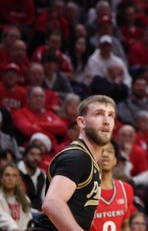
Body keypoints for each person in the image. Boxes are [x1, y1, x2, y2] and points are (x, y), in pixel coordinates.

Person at [34, 94, 116, 231]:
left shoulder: (89, 159)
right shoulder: (78, 157)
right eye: (99, 114)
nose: (106, 121)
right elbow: (52, 203)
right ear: (81, 122)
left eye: (111, 115)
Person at [91, 142, 135, 231]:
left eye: (110, 151)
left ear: (115, 160)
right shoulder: (84, 190)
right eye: (101, 151)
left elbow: (125, 225)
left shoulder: (126, 189)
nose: (105, 154)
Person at [0, 163, 33, 230]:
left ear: (18, 179)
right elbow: (1, 216)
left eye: (14, 175)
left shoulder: (25, 199)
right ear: (1, 178)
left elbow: (28, 220)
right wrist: (14, 228)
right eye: (7, 175)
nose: (10, 179)